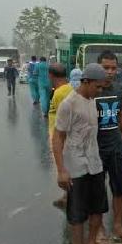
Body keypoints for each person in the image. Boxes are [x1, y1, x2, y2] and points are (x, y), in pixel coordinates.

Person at [51, 63, 116, 244]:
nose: (100, 91)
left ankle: (91, 243)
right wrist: (61, 170)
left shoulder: (91, 100)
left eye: (102, 88)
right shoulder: (69, 104)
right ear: (86, 82)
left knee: (98, 207)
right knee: (77, 211)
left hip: (94, 163)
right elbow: (58, 138)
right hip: (76, 165)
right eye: (97, 87)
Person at [96, 51, 122, 242]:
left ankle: (119, 225)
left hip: (115, 147)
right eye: (106, 68)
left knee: (120, 187)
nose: (110, 72)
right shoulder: (90, 90)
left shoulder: (118, 89)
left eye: (113, 68)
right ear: (98, 68)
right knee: (97, 190)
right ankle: (99, 229)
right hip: (95, 149)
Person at [48, 63, 74, 210]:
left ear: (50, 76)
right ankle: (67, 197)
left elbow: (65, 120)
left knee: (66, 168)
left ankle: (72, 199)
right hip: (61, 137)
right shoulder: (67, 89)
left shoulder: (60, 93)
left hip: (62, 139)